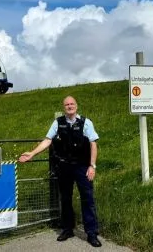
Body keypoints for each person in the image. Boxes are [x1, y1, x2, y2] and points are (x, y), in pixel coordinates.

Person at [18, 96, 102, 248]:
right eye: (67, 104)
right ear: (64, 108)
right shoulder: (58, 122)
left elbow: (93, 144)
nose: (70, 106)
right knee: (65, 198)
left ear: (76, 106)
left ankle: (91, 233)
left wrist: (92, 166)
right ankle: (67, 229)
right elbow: (47, 140)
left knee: (87, 199)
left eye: (72, 104)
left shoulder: (86, 122)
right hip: (64, 166)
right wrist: (32, 153)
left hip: (82, 167)